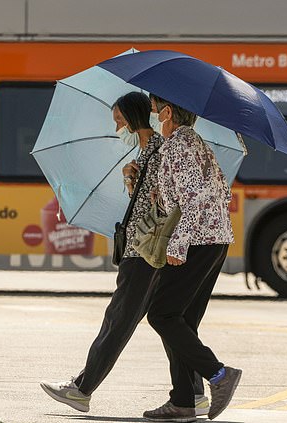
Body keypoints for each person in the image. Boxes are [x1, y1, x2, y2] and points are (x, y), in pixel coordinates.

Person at [39, 92, 210, 416]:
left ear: (132, 118)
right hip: (143, 246)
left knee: (120, 318)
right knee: (167, 321)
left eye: (119, 119)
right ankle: (195, 392)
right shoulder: (148, 150)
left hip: (145, 250)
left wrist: (144, 180)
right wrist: (132, 179)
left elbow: (165, 202)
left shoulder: (160, 149)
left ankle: (82, 388)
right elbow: (146, 200)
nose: (117, 125)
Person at [142, 95, 242, 422]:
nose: (155, 115)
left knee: (162, 314)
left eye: (157, 109)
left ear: (169, 111)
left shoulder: (178, 145)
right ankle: (184, 400)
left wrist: (178, 245)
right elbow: (217, 192)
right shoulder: (195, 144)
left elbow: (193, 199)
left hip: (198, 241)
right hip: (214, 239)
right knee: (182, 322)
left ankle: (219, 375)